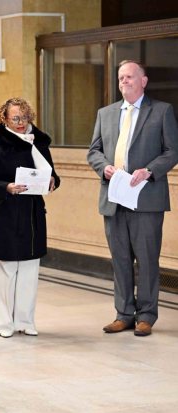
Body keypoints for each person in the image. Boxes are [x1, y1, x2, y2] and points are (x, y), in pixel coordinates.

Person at [88, 60, 178, 337]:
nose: (124, 81)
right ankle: (124, 314)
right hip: (114, 198)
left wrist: (150, 170)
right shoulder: (106, 113)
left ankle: (147, 315)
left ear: (144, 81)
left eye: (129, 77)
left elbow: (172, 151)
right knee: (120, 259)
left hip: (146, 198)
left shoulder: (162, 111)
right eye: (120, 78)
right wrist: (104, 167)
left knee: (147, 258)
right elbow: (94, 151)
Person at [0, 97, 60, 338]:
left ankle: (25, 321)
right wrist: (6, 187)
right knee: (4, 272)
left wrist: (52, 181)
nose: (20, 122)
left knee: (28, 270)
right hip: (4, 212)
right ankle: (3, 323)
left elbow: (52, 175)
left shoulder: (39, 142)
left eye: (24, 117)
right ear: (4, 118)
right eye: (15, 118)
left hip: (31, 213)